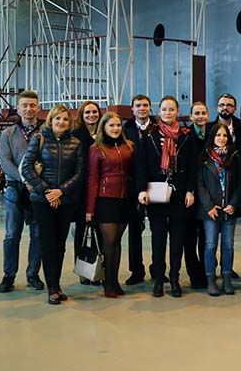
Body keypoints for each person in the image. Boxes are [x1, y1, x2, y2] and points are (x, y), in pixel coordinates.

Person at [20, 105, 84, 305]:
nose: (61, 122)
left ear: (69, 122)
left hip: (65, 201)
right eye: (57, 118)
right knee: (47, 244)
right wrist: (47, 191)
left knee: (60, 245)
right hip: (42, 201)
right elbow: (26, 168)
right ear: (51, 120)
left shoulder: (76, 143)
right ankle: (52, 289)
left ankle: (56, 285)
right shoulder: (38, 139)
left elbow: (80, 173)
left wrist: (61, 191)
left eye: (65, 119)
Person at [136, 95, 198, 298]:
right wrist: (141, 189)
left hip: (180, 194)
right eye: (164, 109)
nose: (168, 112)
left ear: (178, 111)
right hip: (156, 193)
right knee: (158, 238)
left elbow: (193, 166)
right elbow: (141, 165)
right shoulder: (149, 135)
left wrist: (190, 190)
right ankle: (158, 279)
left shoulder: (187, 135)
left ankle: (174, 278)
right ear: (159, 111)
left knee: (177, 239)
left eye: (171, 109)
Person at [85, 112, 136, 298]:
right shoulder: (96, 148)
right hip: (105, 199)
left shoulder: (129, 146)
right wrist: (89, 209)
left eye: (118, 125)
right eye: (111, 125)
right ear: (104, 128)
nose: (115, 128)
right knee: (109, 242)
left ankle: (114, 281)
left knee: (117, 242)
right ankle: (107, 283)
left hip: (125, 199)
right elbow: (92, 179)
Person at [0, 90, 43, 293]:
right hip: (14, 189)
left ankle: (33, 274)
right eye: (24, 105)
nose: (28, 109)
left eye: (32, 105)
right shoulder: (8, 134)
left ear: (38, 108)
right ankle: (9, 275)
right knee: (11, 234)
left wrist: (36, 183)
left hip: (38, 190)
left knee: (38, 234)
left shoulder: (46, 132)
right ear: (18, 108)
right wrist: (24, 179)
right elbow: (5, 162)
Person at [197, 124, 241, 297]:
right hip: (211, 211)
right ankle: (210, 279)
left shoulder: (235, 157)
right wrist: (208, 206)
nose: (221, 138)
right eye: (218, 135)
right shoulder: (204, 158)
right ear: (212, 137)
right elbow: (200, 184)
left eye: (224, 135)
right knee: (210, 245)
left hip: (229, 209)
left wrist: (234, 203)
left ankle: (227, 278)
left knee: (228, 245)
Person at [122, 94, 154, 285]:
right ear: (132, 109)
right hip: (132, 186)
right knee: (135, 230)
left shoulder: (158, 127)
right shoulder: (124, 130)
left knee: (158, 229)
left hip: (156, 184)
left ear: (150, 108)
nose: (142, 108)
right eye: (138, 105)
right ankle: (136, 270)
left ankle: (158, 269)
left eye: (145, 105)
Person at [71, 100, 102, 286]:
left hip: (101, 190)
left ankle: (97, 271)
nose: (91, 115)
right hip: (81, 190)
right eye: (87, 112)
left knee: (100, 232)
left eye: (94, 112)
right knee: (82, 232)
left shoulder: (105, 132)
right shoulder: (76, 135)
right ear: (82, 115)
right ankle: (83, 270)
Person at [185, 101, 209, 289]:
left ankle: (207, 272)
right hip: (191, 192)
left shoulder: (214, 134)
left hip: (208, 192)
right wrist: (190, 189)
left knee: (206, 238)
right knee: (190, 237)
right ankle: (194, 275)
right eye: (197, 113)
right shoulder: (185, 136)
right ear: (191, 116)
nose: (200, 116)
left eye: (203, 113)